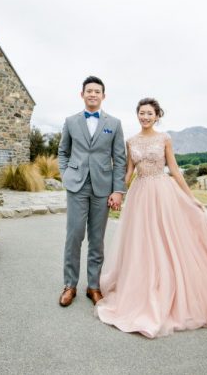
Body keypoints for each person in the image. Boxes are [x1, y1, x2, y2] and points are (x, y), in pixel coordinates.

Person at [95, 98, 207, 337]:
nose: (145, 117)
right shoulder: (131, 141)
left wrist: (191, 198)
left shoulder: (164, 139)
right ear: (137, 115)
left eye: (149, 113)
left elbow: (175, 170)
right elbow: (129, 172)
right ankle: (144, 286)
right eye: (141, 113)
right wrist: (117, 192)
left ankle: (166, 288)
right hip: (140, 195)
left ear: (157, 116)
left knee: (165, 240)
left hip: (163, 193)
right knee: (142, 243)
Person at [57, 76, 127, 307]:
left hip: (102, 187)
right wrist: (66, 175)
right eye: (89, 91)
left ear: (103, 96)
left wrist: (118, 190)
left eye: (97, 91)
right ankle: (70, 285)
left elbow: (119, 158)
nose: (93, 94)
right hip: (76, 186)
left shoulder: (114, 123)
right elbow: (63, 152)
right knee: (74, 236)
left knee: (97, 239)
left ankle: (93, 286)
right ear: (82, 94)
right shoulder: (70, 121)